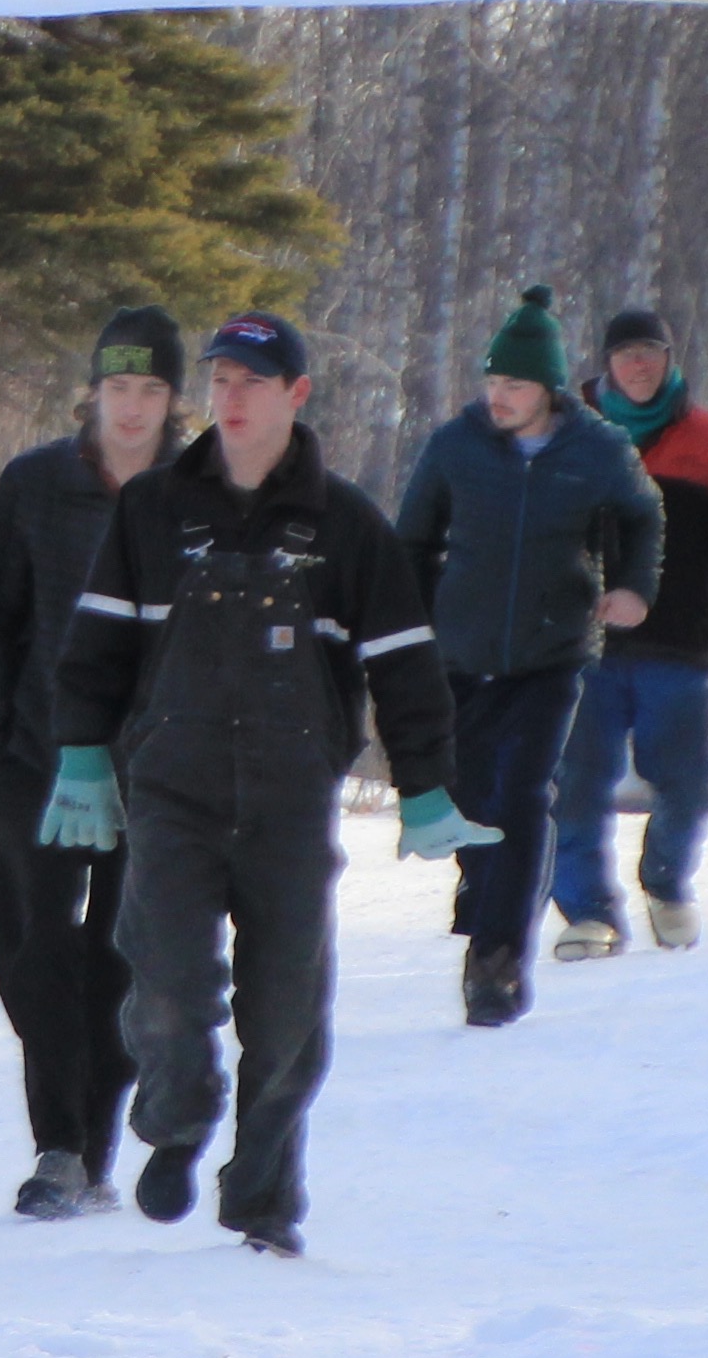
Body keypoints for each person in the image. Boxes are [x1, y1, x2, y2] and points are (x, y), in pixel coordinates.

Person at [41, 315, 486, 1257]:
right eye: (222, 379)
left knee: (285, 1012)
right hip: (171, 791)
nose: (232, 397)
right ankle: (177, 1117)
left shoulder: (347, 525)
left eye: (254, 380)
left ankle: (264, 1198)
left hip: (290, 802)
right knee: (163, 984)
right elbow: (96, 646)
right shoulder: (154, 509)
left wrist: (427, 785)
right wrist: (82, 753)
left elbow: (405, 664)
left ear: (297, 394)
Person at [0, 306, 186, 1215]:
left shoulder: (203, 495)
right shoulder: (35, 483)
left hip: (154, 768)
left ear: (176, 399)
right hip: (34, 758)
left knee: (122, 957)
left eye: (152, 390)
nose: (131, 408)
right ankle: (61, 1142)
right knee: (33, 953)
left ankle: (78, 1148)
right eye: (118, 387)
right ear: (94, 391)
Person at [393, 287, 662, 1029]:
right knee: (471, 801)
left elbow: (643, 517)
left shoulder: (597, 449)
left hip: (553, 652)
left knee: (524, 797)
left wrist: (634, 589)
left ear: (545, 389)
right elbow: (411, 540)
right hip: (462, 651)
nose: (497, 398)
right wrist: (409, 632)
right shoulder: (457, 446)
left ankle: (497, 961)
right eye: (491, 383)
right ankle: (487, 898)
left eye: (512, 385)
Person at [553, 307, 708, 954]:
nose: (638, 365)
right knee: (574, 782)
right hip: (584, 645)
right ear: (607, 362)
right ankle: (588, 912)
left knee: (689, 779)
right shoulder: (567, 431)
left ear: (669, 359)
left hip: (680, 646)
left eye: (650, 352)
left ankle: (666, 879)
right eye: (626, 353)